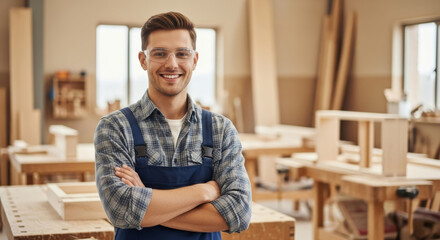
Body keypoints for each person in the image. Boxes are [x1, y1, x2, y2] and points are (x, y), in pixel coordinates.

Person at [94, 11, 252, 240]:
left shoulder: (221, 130)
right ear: (143, 59)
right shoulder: (115, 127)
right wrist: (204, 191)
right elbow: (121, 209)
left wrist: (146, 207)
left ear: (194, 60)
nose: (172, 64)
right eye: (160, 53)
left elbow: (238, 213)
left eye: (182, 54)